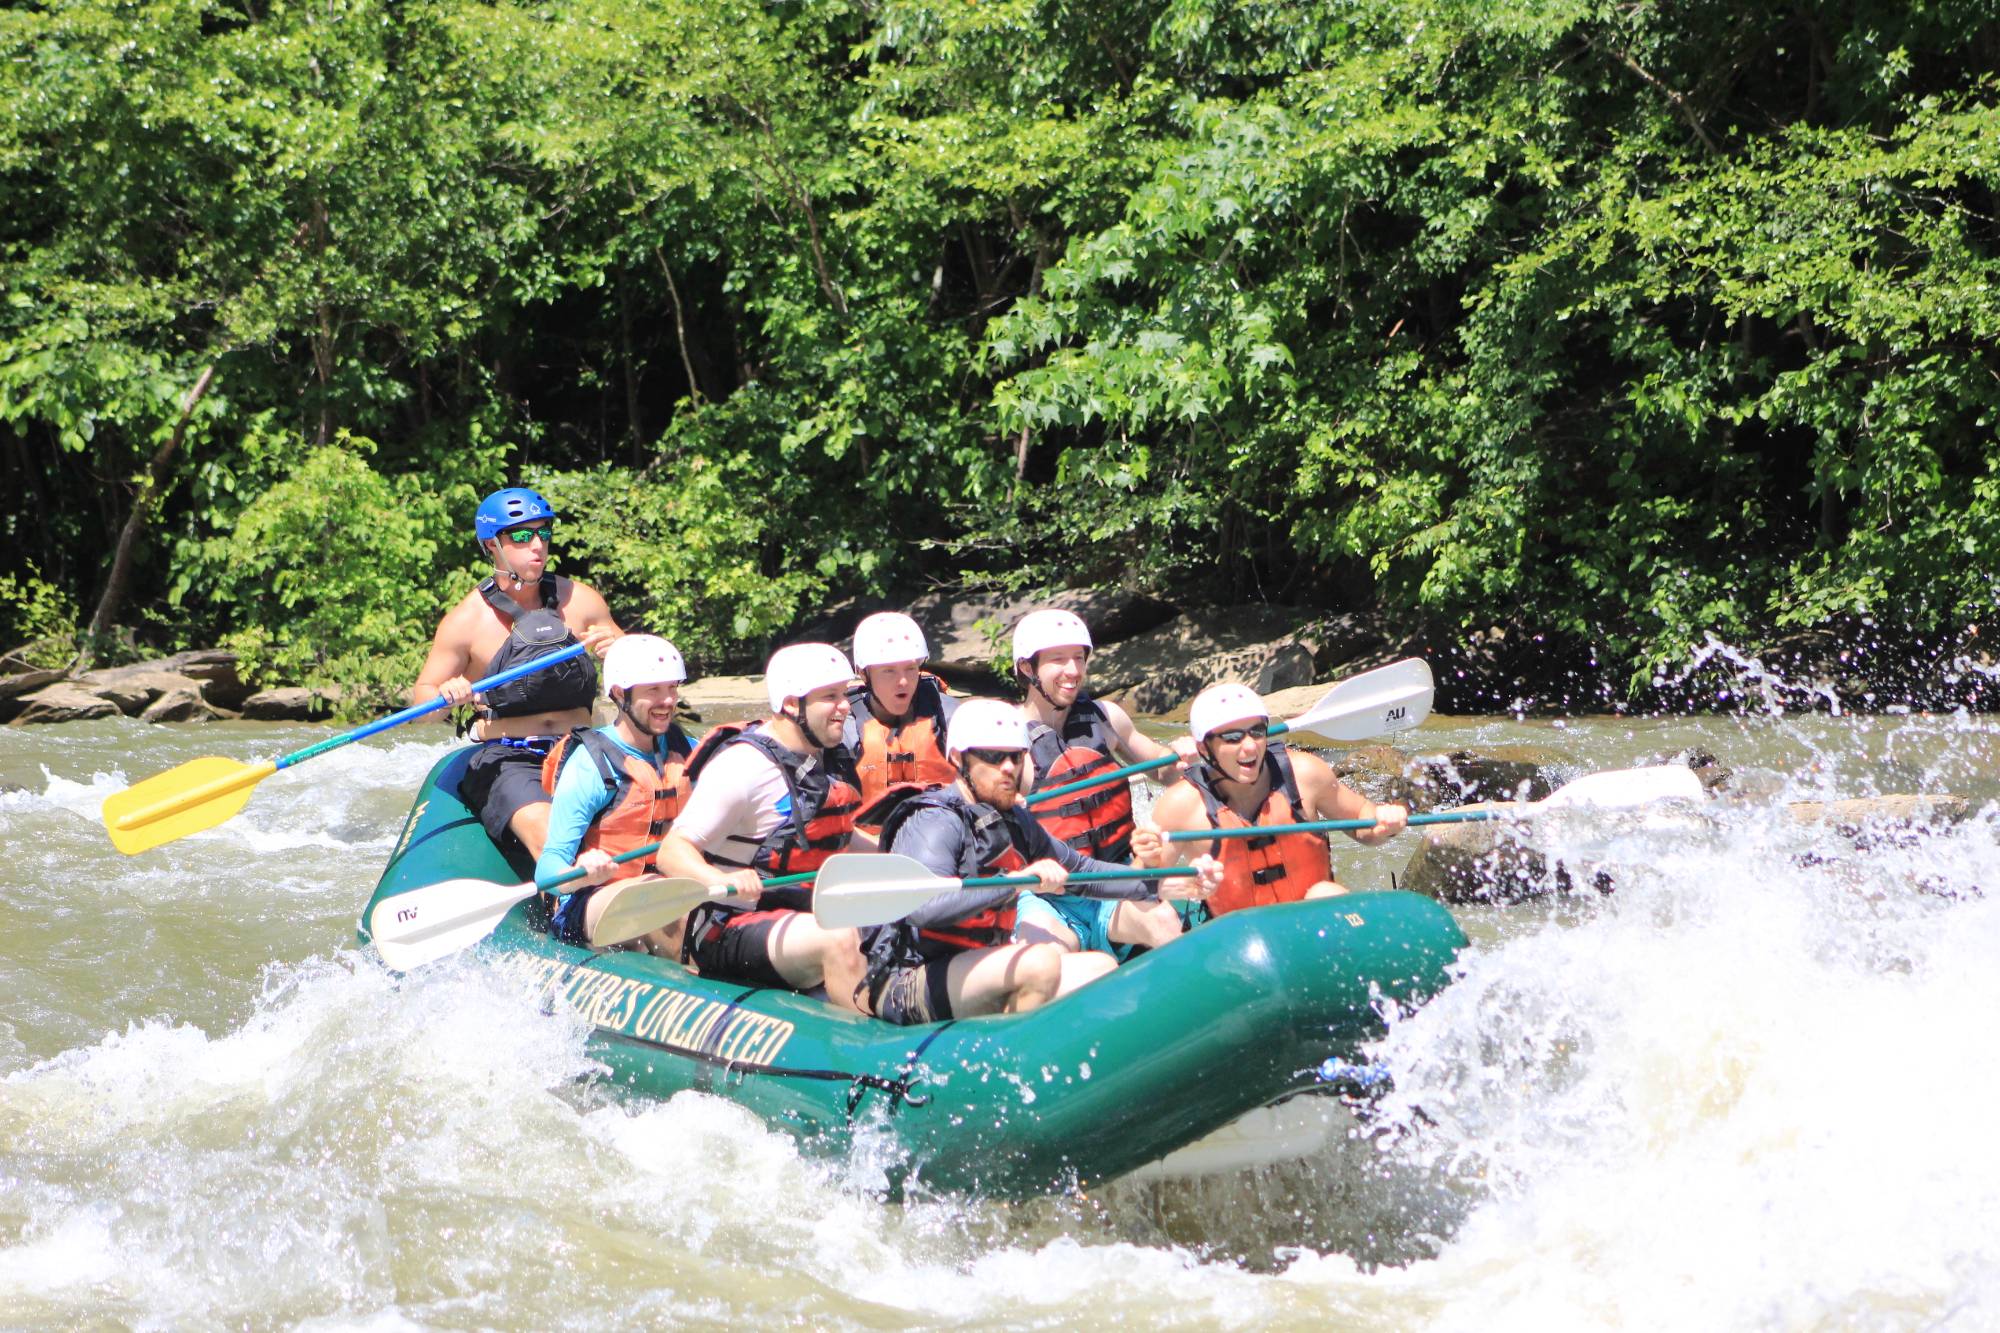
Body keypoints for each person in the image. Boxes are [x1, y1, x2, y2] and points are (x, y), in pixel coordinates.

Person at [866, 700, 1222, 1025]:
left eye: (1016, 757)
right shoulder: (934, 821)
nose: (1008, 768)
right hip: (909, 980)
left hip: (973, 967)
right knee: (1039, 962)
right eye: (992, 756)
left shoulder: (1013, 819)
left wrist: (1159, 882)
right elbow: (923, 908)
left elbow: (1081, 872)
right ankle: (1008, 1057)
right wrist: (1017, 881)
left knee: (1100, 967)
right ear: (959, 759)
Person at [654, 643, 873, 1012]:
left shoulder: (829, 756)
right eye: (830, 697)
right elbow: (672, 851)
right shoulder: (743, 767)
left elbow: (841, 836)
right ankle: (863, 1049)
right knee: (840, 937)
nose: (845, 706)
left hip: (802, 915)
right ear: (791, 704)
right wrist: (717, 880)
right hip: (728, 925)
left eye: (845, 694)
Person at [412, 487, 621, 860]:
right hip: (508, 757)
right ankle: (572, 902)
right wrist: (446, 694)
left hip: (583, 748)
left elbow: (640, 682)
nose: (537, 545)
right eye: (522, 536)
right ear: (492, 544)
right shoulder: (466, 621)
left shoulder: (583, 601)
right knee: (552, 835)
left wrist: (620, 653)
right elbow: (423, 704)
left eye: (543, 532)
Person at [1010, 608, 1198, 956]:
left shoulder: (1106, 718)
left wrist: (1180, 756)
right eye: (1058, 660)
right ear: (1027, 668)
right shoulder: (1007, 744)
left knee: (1164, 922)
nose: (1073, 671)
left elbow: (1164, 771)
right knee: (1039, 961)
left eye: (1079, 658)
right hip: (1051, 897)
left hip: (1116, 879)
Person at [1140, 683, 1409, 912]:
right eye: (1232, 737)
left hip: (1313, 923)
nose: (1249, 746)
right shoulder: (1182, 805)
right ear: (1204, 748)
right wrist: (1155, 866)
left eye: (1257, 731)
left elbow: (1363, 821)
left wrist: (1384, 823)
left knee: (1326, 893)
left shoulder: (1304, 773)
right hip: (1240, 940)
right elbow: (1143, 886)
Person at [532, 635, 695, 954]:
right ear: (620, 695)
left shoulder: (686, 749)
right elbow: (547, 870)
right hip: (591, 900)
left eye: (672, 688)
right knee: (663, 900)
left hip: (672, 888)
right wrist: (580, 874)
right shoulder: (591, 764)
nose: (668, 701)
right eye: (654, 690)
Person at [840, 611, 958, 809]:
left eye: (911, 669)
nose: (903, 681)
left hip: (943, 829)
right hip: (873, 837)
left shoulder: (950, 715)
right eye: (889, 671)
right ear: (863, 674)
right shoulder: (845, 729)